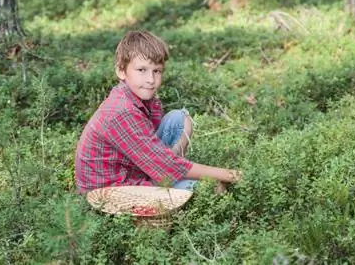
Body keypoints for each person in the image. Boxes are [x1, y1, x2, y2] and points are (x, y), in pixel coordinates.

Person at [75, 30, 241, 193]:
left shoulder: (146, 100)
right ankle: (167, 181)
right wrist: (231, 175)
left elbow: (152, 145)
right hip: (109, 191)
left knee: (180, 118)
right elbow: (165, 161)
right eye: (141, 70)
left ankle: (167, 175)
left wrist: (168, 164)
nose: (150, 80)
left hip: (133, 170)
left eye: (157, 71)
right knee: (211, 189)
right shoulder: (121, 111)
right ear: (121, 71)